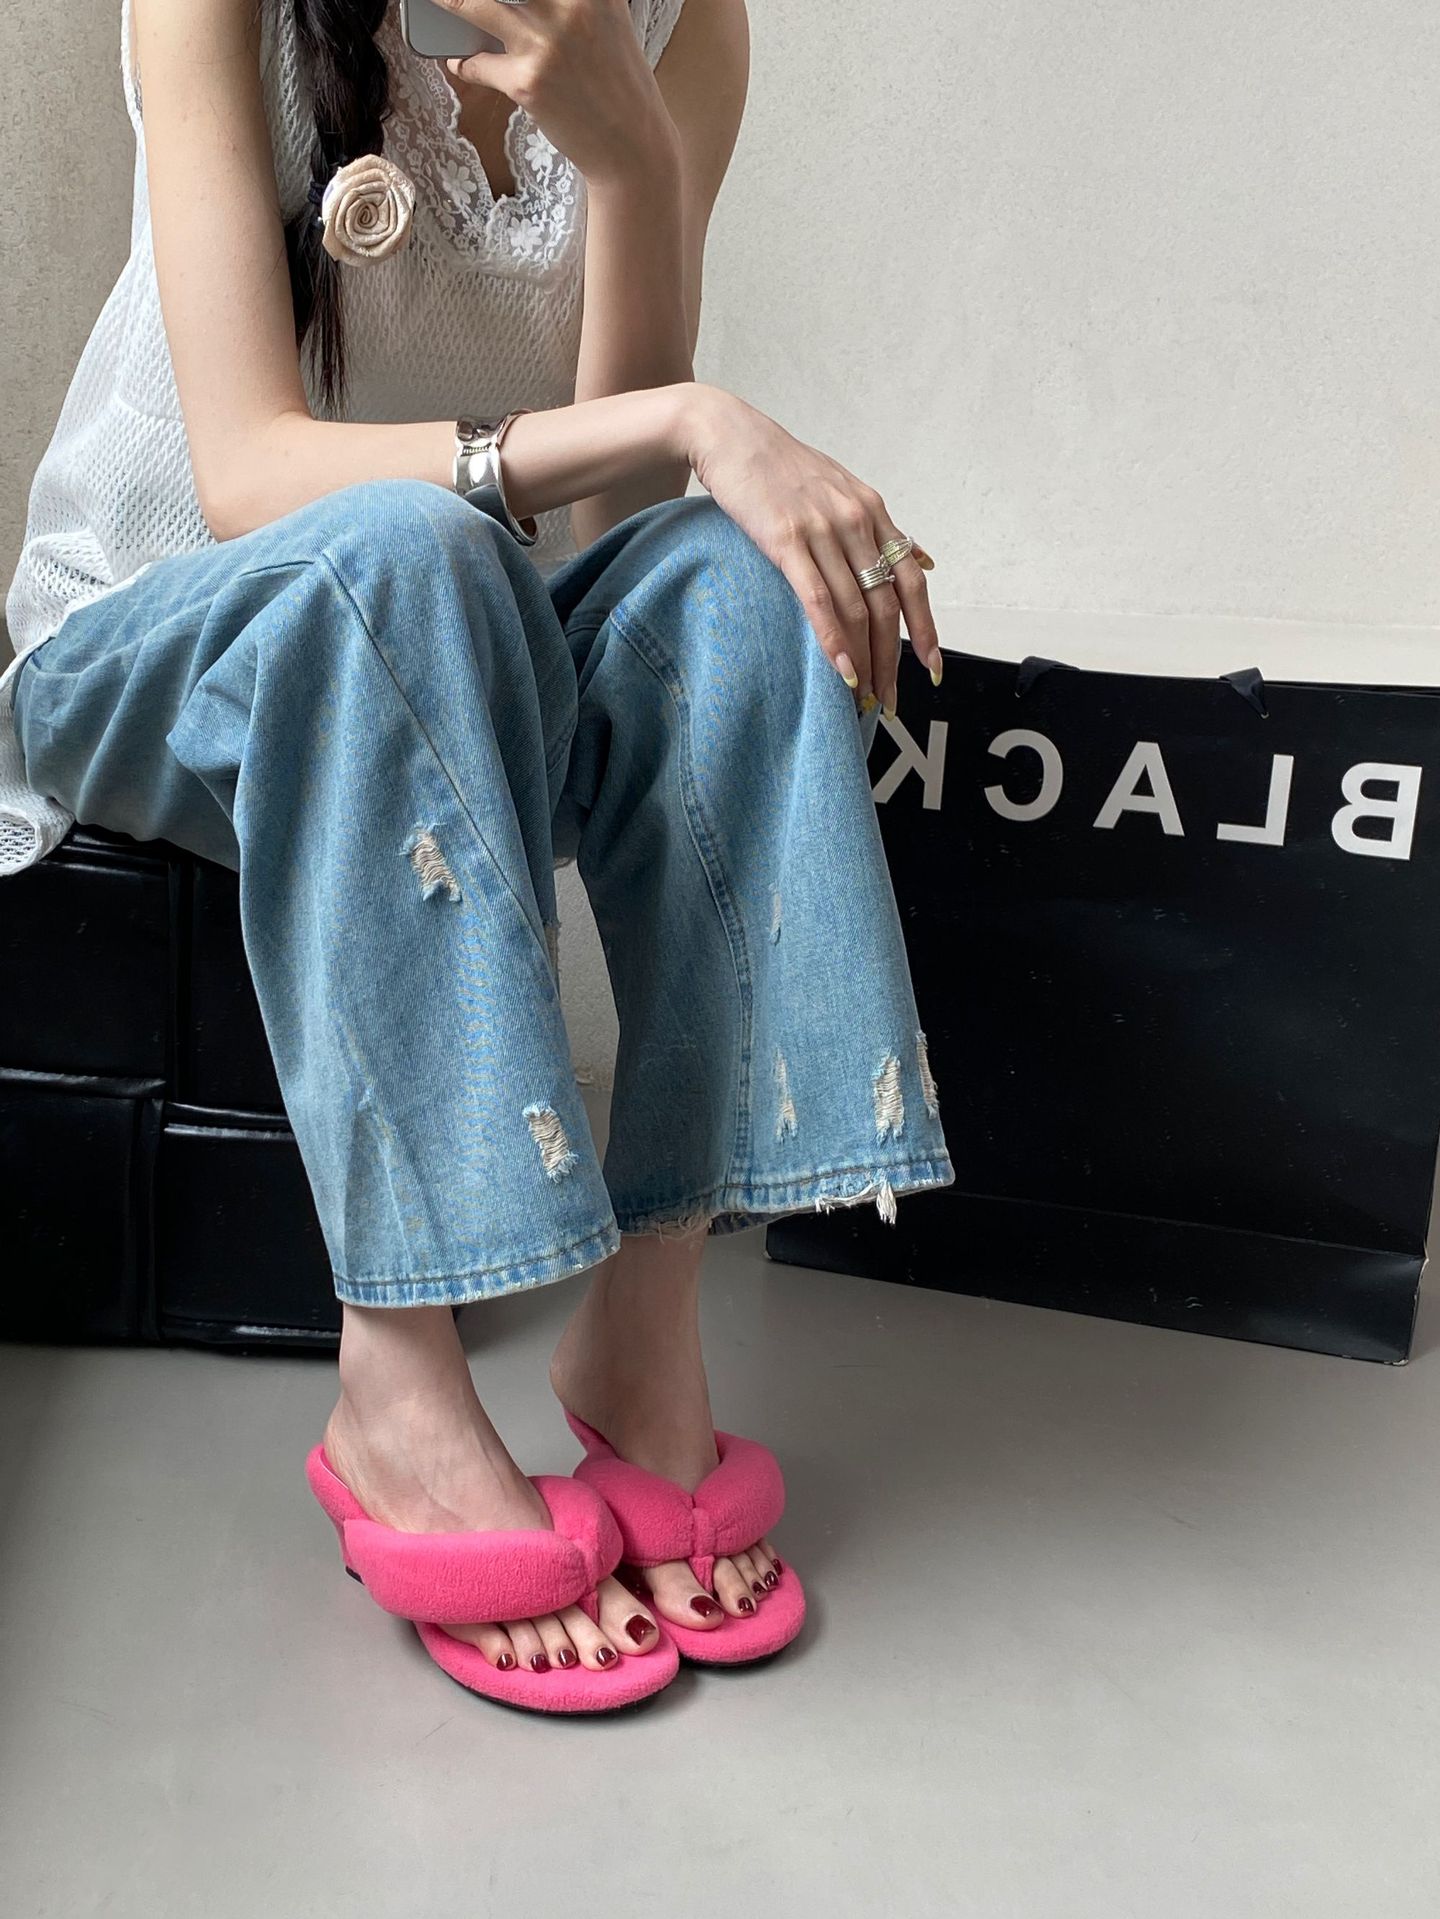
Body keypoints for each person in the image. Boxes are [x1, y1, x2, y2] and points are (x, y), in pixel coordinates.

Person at [0, 0, 954, 1713]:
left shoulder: (684, 29)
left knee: (731, 587)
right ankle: (399, 1374)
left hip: (457, 629)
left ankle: (646, 1332)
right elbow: (248, 471)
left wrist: (630, 157)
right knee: (409, 548)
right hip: (147, 646)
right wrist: (705, 417)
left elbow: (607, 536)